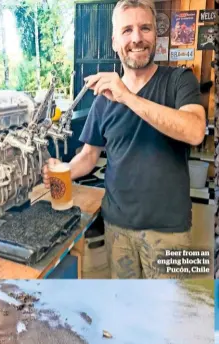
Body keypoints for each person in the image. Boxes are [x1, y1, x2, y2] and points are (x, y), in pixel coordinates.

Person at [42, 0, 206, 279]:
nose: (137, 38)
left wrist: (127, 97)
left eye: (145, 28)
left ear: (156, 35)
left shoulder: (180, 80)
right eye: (127, 30)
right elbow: (89, 155)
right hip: (117, 226)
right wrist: (63, 171)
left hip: (170, 230)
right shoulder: (104, 99)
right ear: (115, 41)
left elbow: (194, 131)